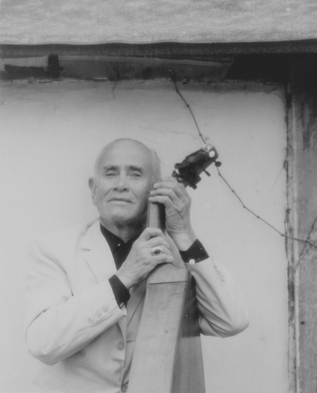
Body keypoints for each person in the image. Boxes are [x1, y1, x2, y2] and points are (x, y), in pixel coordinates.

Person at [25, 138, 249, 393]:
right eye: (111, 173)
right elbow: (42, 343)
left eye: (135, 174)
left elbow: (231, 322)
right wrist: (125, 277)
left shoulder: (178, 256)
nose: (121, 185)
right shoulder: (53, 249)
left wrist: (184, 234)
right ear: (94, 190)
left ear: (156, 190)